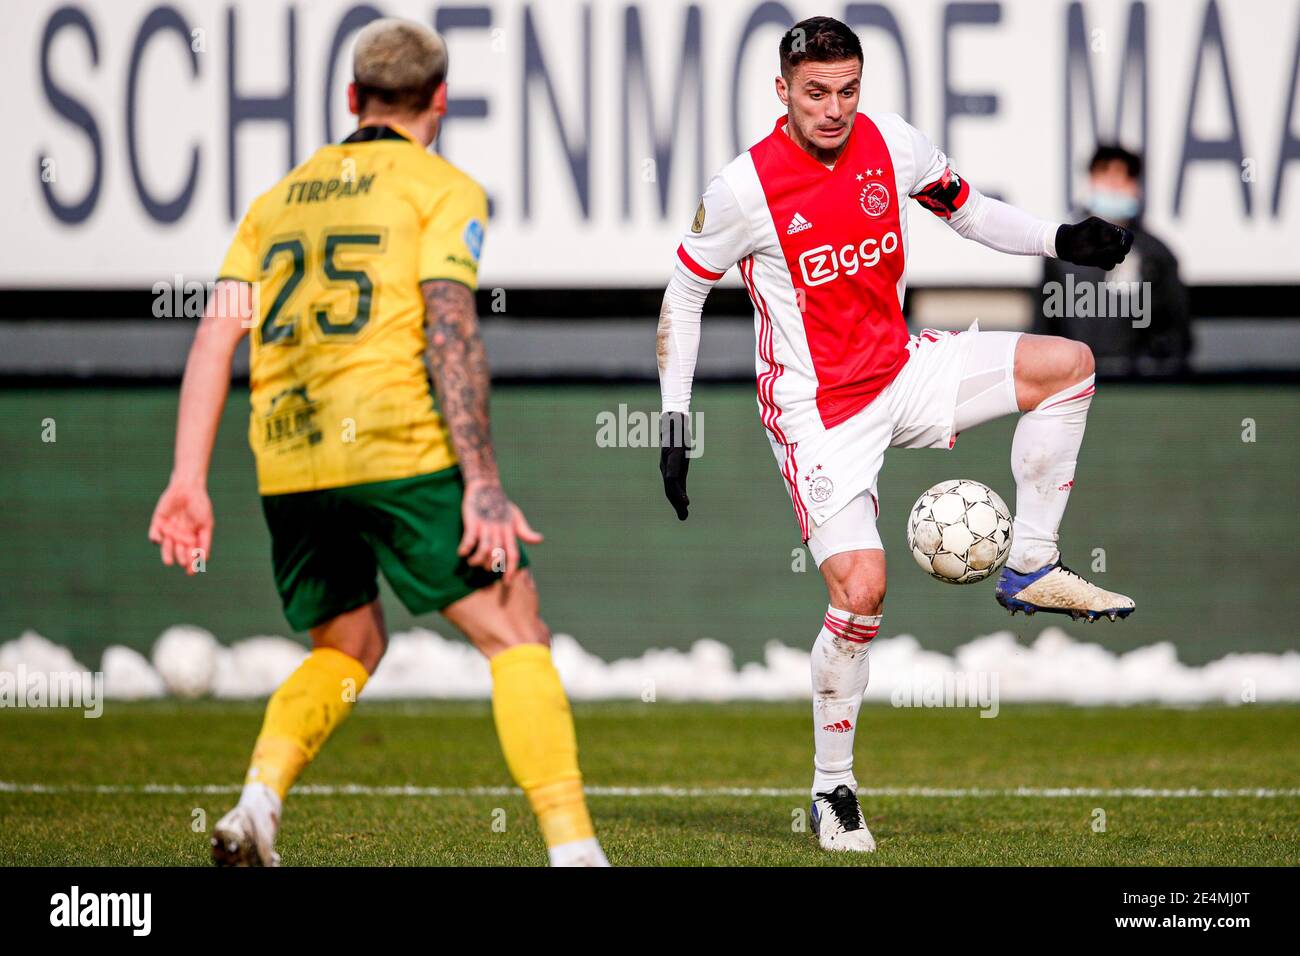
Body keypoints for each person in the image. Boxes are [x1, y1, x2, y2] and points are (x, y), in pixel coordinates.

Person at [655, 16, 1135, 853]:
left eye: (847, 90)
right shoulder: (743, 189)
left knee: (1069, 364)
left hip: (904, 370)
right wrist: (673, 415)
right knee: (862, 592)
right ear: (782, 92)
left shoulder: (893, 144)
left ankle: (1030, 564)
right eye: (815, 93)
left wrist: (1061, 239)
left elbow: (971, 213)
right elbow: (683, 297)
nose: (834, 108)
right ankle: (832, 789)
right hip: (818, 412)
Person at [148, 18, 607, 867]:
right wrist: (483, 482)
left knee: (348, 646)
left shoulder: (277, 198)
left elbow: (216, 338)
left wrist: (187, 479)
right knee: (518, 634)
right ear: (440, 101)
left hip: (287, 459)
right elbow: (449, 327)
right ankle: (576, 852)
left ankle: (256, 805)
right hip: (397, 447)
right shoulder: (442, 188)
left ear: (352, 99)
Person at [1038, 144, 1192, 376]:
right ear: (1091, 180)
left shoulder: (1157, 255)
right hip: (1072, 382)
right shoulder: (1061, 252)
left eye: (1125, 176)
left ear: (1137, 187)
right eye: (1106, 174)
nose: (1114, 185)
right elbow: (1043, 327)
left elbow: (1176, 333)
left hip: (1137, 388)